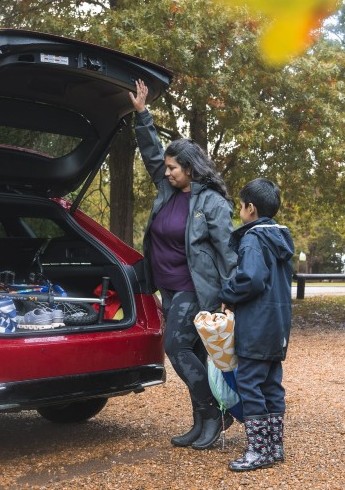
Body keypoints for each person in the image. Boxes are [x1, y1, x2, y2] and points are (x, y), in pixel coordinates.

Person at [129, 79, 239, 450]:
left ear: (191, 169)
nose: (169, 172)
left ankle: (215, 414)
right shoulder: (167, 190)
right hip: (168, 286)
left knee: (176, 348)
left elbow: (227, 251)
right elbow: (150, 153)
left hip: (195, 288)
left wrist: (232, 294)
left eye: (175, 168)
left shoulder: (213, 203)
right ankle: (201, 421)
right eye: (168, 167)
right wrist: (142, 115)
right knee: (191, 353)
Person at [218, 178, 295, 472]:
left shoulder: (253, 239)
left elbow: (251, 279)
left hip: (256, 325)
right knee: (272, 383)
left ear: (250, 208)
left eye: (240, 205)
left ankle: (258, 450)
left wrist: (227, 294)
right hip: (277, 325)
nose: (240, 211)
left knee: (249, 383)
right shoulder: (280, 239)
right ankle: (274, 446)